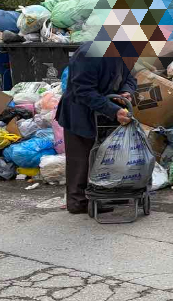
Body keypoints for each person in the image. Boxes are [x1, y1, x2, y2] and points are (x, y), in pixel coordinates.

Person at [55, 45, 137, 214]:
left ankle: (105, 195)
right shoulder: (89, 53)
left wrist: (126, 91)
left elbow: (130, 78)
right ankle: (79, 202)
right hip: (80, 113)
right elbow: (83, 91)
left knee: (105, 156)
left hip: (105, 113)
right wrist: (114, 111)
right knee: (82, 159)